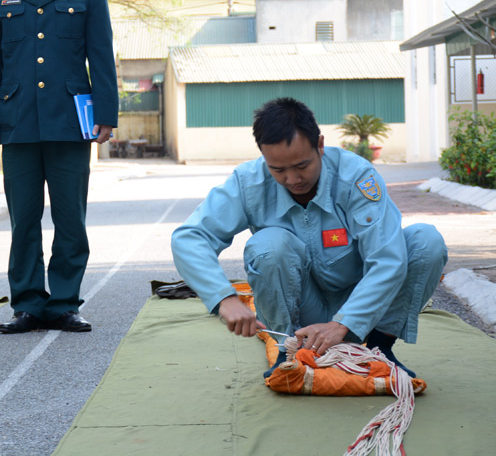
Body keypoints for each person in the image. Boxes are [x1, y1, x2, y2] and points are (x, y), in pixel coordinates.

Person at [171, 98, 448, 377]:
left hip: (364, 310)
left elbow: (387, 260)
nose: (292, 179)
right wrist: (224, 298)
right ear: (264, 157)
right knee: (267, 244)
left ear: (320, 145)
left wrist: (343, 324)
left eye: (302, 166)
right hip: (301, 318)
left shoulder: (356, 177)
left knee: (426, 241)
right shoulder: (248, 183)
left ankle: (379, 349)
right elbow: (190, 237)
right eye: (278, 169)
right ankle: (289, 353)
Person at [0, 0, 119, 334]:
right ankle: (28, 304)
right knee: (23, 221)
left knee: (70, 219)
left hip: (70, 122)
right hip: (17, 122)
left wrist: (106, 113)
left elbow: (101, 56)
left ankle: (63, 303)